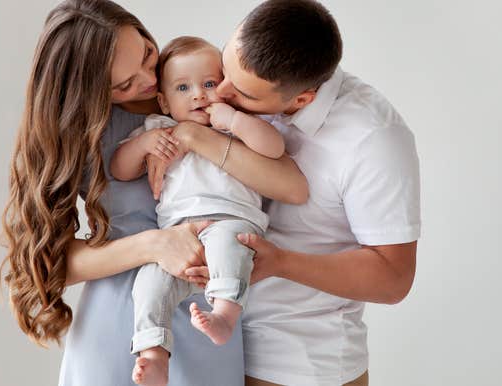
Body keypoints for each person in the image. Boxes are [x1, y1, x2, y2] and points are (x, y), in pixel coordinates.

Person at [0, 1, 308, 385]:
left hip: (210, 317)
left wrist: (191, 135)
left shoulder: (209, 89)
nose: (147, 79)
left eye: (147, 53)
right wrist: (154, 245)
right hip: (123, 324)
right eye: (123, 84)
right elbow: (49, 263)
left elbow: (293, 188)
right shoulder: (81, 132)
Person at [148, 1, 421, 385]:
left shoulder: (373, 139)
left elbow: (394, 278)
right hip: (211, 353)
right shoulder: (237, 86)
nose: (219, 93)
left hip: (299, 363)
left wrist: (280, 262)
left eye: (241, 92)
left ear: (301, 99)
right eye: (225, 69)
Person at [110, 36, 296, 386]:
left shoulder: (234, 125)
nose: (198, 94)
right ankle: (153, 353)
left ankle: (225, 314)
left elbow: (275, 147)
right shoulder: (156, 130)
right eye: (183, 87)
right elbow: (119, 168)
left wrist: (234, 120)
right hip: (176, 237)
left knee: (230, 245)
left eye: (209, 84)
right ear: (163, 101)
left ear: (224, 87)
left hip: (231, 220)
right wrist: (143, 145)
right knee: (149, 283)